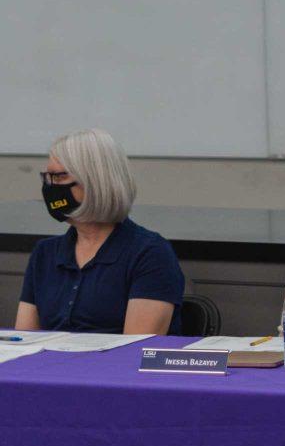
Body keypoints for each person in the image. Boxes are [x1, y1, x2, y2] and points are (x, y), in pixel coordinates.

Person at [15, 129, 184, 335]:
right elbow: (23, 342)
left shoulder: (149, 253)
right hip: (48, 366)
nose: (50, 187)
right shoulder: (45, 253)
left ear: (95, 180)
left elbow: (136, 348)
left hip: (113, 367)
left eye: (59, 176)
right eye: (47, 177)